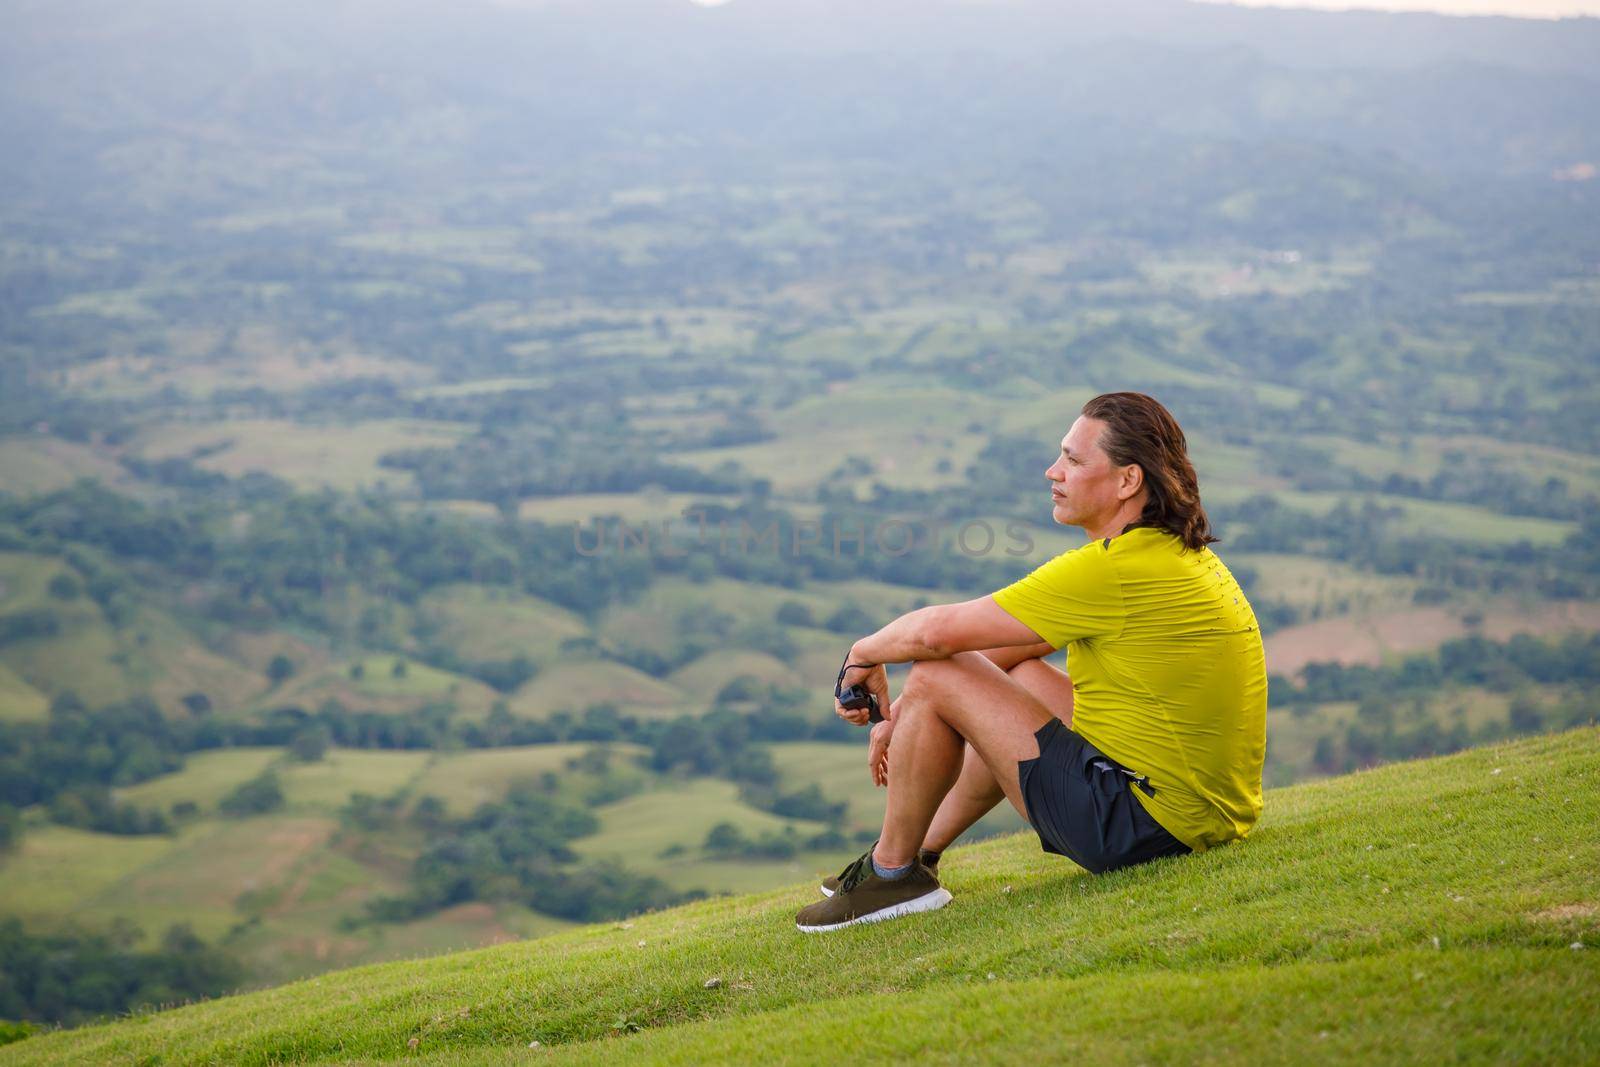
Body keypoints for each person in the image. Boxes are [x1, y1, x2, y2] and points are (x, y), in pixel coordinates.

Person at [795, 391, 1267, 932]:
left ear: (1127, 481)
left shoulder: (1111, 571)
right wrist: (902, 712)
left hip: (1139, 827)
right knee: (1008, 675)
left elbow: (936, 637)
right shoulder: (1172, 554)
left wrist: (862, 654)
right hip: (1198, 817)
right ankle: (913, 856)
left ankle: (891, 872)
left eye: (1073, 460)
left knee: (936, 670)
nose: (1053, 471)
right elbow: (1010, 653)